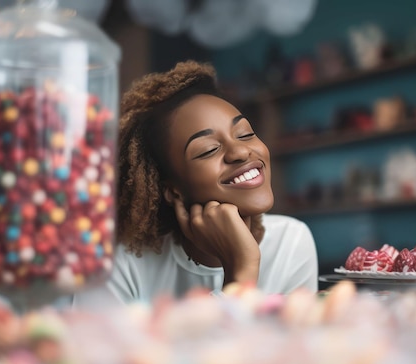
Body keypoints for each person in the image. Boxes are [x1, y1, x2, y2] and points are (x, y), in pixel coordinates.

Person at [76, 60, 318, 305]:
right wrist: (240, 272)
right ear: (172, 189)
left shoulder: (290, 241)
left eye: (245, 134)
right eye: (208, 150)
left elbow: (297, 344)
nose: (241, 152)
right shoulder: (117, 264)